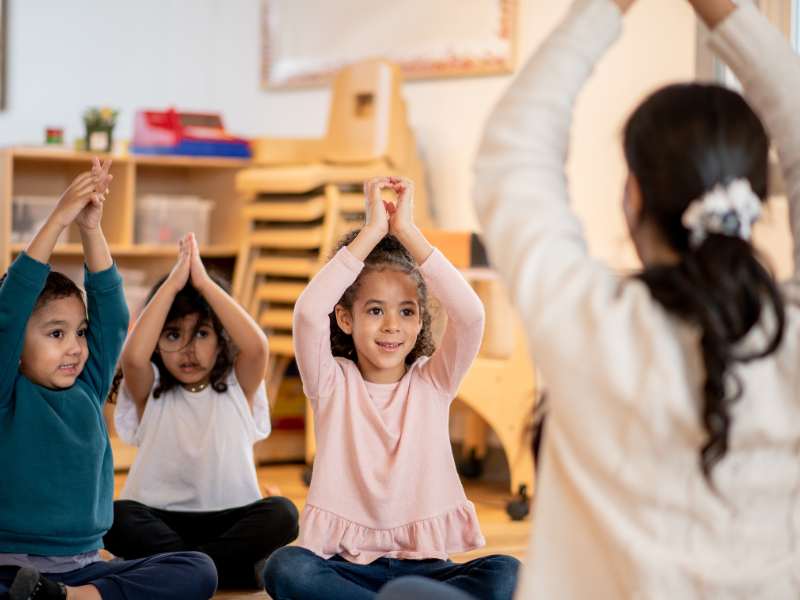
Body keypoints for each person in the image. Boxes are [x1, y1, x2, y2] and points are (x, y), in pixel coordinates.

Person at [470, 0, 800, 597]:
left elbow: (512, 149)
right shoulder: (789, 337)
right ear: (755, 201)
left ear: (634, 197)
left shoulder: (590, 320)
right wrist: (731, 15)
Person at [262, 176, 520, 600]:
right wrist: (371, 233)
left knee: (508, 572)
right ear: (346, 319)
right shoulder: (330, 382)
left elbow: (471, 316)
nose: (391, 326)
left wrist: (407, 232)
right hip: (346, 569)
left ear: (420, 321)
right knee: (287, 568)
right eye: (375, 310)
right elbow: (309, 314)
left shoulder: (433, 382)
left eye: (406, 311)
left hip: (428, 571)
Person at [0, 159, 218, 600]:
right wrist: (59, 218)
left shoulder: (88, 386)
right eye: (55, 334)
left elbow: (113, 314)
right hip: (12, 570)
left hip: (83, 569)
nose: (76, 347)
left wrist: (90, 229)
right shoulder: (8, 393)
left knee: (198, 569)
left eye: (79, 333)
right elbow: (10, 309)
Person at [103, 232, 299, 590]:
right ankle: (218, 571)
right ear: (157, 344)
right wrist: (175, 281)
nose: (188, 350)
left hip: (228, 520)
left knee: (283, 514)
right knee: (115, 517)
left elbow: (257, 347)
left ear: (221, 337)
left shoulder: (239, 386)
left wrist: (204, 283)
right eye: (173, 335)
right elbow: (132, 356)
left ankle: (180, 571)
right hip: (159, 519)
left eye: (202, 334)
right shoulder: (151, 390)